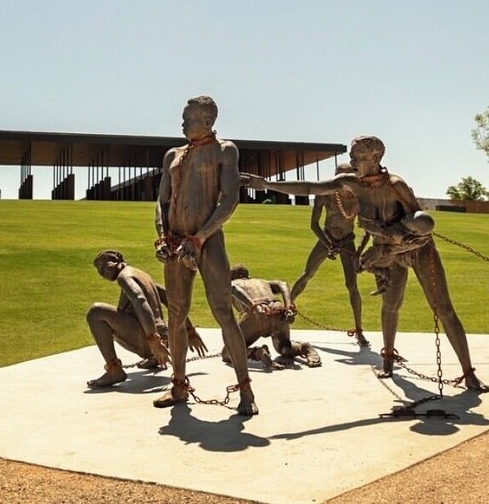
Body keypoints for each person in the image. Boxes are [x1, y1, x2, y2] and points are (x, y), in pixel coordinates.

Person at [242, 135, 489, 392]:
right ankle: (388, 360)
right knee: (390, 307)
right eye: (352, 157)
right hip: (390, 254)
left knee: (444, 310)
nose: (353, 162)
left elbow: (421, 229)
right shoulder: (350, 183)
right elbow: (310, 188)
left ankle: (468, 373)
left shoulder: (396, 185)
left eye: (359, 157)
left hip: (418, 251)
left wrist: (383, 249)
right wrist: (268, 184)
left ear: (376, 158)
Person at [153, 95, 258, 416]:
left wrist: (199, 238)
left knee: (223, 312)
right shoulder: (173, 155)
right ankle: (178, 384)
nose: (182, 124)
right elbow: (162, 202)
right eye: (184, 118)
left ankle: (245, 389)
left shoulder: (225, 151)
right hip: (175, 242)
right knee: (176, 314)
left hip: (208, 242)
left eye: (188, 119)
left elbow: (229, 200)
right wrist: (162, 237)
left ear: (208, 121)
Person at [85, 250, 207, 388]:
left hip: (150, 341)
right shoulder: (140, 274)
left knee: (95, 312)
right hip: (163, 339)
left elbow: (140, 300)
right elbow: (169, 299)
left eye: (103, 266)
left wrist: (154, 340)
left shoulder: (124, 277)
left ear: (117, 260)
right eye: (99, 270)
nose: (102, 273)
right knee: (124, 313)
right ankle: (154, 358)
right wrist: (189, 330)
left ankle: (114, 369)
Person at [289, 162, 369, 346]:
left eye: (348, 176)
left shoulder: (360, 198)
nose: (343, 181)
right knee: (307, 274)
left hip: (347, 241)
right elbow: (314, 224)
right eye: (340, 176)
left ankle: (359, 330)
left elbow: (368, 229)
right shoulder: (325, 194)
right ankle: (286, 308)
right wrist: (329, 244)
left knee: (352, 285)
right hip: (327, 237)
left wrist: (358, 252)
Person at [228, 264, 322, 369]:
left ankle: (256, 352)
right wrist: (288, 307)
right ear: (248, 276)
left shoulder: (232, 284)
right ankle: (303, 348)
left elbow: (227, 301)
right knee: (284, 348)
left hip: (257, 312)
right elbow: (282, 284)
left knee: (228, 352)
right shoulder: (261, 282)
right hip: (278, 309)